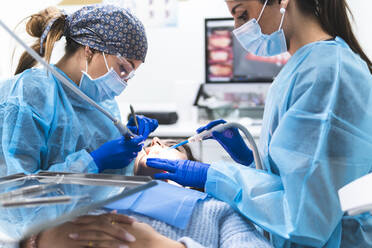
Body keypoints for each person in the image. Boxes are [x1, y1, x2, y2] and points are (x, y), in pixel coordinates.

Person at [146, 0, 372, 247]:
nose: (237, 28)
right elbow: (300, 177)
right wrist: (252, 161)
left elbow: (306, 217)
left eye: (242, 14)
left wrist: (214, 177)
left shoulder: (327, 74)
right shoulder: (303, 68)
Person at [12, 138, 273, 248]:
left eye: (169, 145)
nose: (155, 143)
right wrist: (39, 240)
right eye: (151, 142)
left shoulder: (216, 211)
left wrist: (163, 246)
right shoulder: (87, 189)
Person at [0, 5, 158, 177]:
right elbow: (16, 188)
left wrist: (130, 156)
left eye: (130, 74)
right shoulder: (30, 93)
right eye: (123, 68)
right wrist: (92, 162)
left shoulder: (102, 103)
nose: (124, 81)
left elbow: (109, 181)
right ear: (89, 49)